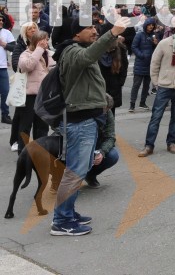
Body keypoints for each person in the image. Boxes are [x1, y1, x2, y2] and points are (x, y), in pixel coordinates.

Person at [51, 15, 130, 236]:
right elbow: (90, 55)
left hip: (85, 119)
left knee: (76, 171)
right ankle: (61, 221)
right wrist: (112, 32)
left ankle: (67, 212)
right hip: (80, 121)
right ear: (76, 33)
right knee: (75, 173)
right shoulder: (73, 52)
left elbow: (100, 50)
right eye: (89, 28)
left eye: (96, 27)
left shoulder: (77, 49)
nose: (94, 30)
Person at [139, 16, 175, 157]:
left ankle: (171, 142)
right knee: (156, 117)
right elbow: (154, 63)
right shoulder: (164, 43)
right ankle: (149, 145)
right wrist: (156, 82)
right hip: (164, 85)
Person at [14, 30, 52, 151]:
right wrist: (39, 50)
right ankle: (23, 152)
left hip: (45, 96)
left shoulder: (50, 54)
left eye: (47, 39)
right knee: (25, 126)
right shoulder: (26, 54)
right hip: (29, 96)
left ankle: (39, 152)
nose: (46, 42)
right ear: (36, 41)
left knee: (42, 127)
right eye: (43, 39)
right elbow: (26, 66)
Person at [84, 95, 119, 189]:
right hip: (80, 143)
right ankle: (58, 180)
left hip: (96, 143)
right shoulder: (84, 109)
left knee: (113, 155)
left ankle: (90, 175)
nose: (104, 112)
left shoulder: (107, 112)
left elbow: (110, 137)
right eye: (103, 109)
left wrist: (102, 152)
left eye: (107, 110)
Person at [129, 18, 158, 112]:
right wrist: (141, 55)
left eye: (152, 25)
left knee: (146, 85)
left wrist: (155, 44)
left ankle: (142, 102)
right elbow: (134, 46)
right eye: (149, 25)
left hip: (149, 63)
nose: (151, 27)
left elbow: (157, 49)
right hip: (140, 63)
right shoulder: (139, 35)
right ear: (146, 25)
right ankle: (132, 104)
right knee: (136, 85)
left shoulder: (154, 36)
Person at [98, 37, 128, 112]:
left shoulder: (120, 49)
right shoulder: (98, 50)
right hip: (100, 86)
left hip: (114, 86)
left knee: (111, 111)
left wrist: (120, 83)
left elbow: (124, 68)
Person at [0, 15, 15, 124]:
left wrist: (4, 44)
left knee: (5, 91)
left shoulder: (7, 33)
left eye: (2, 20)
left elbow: (14, 47)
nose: (1, 21)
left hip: (2, 67)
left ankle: (5, 115)